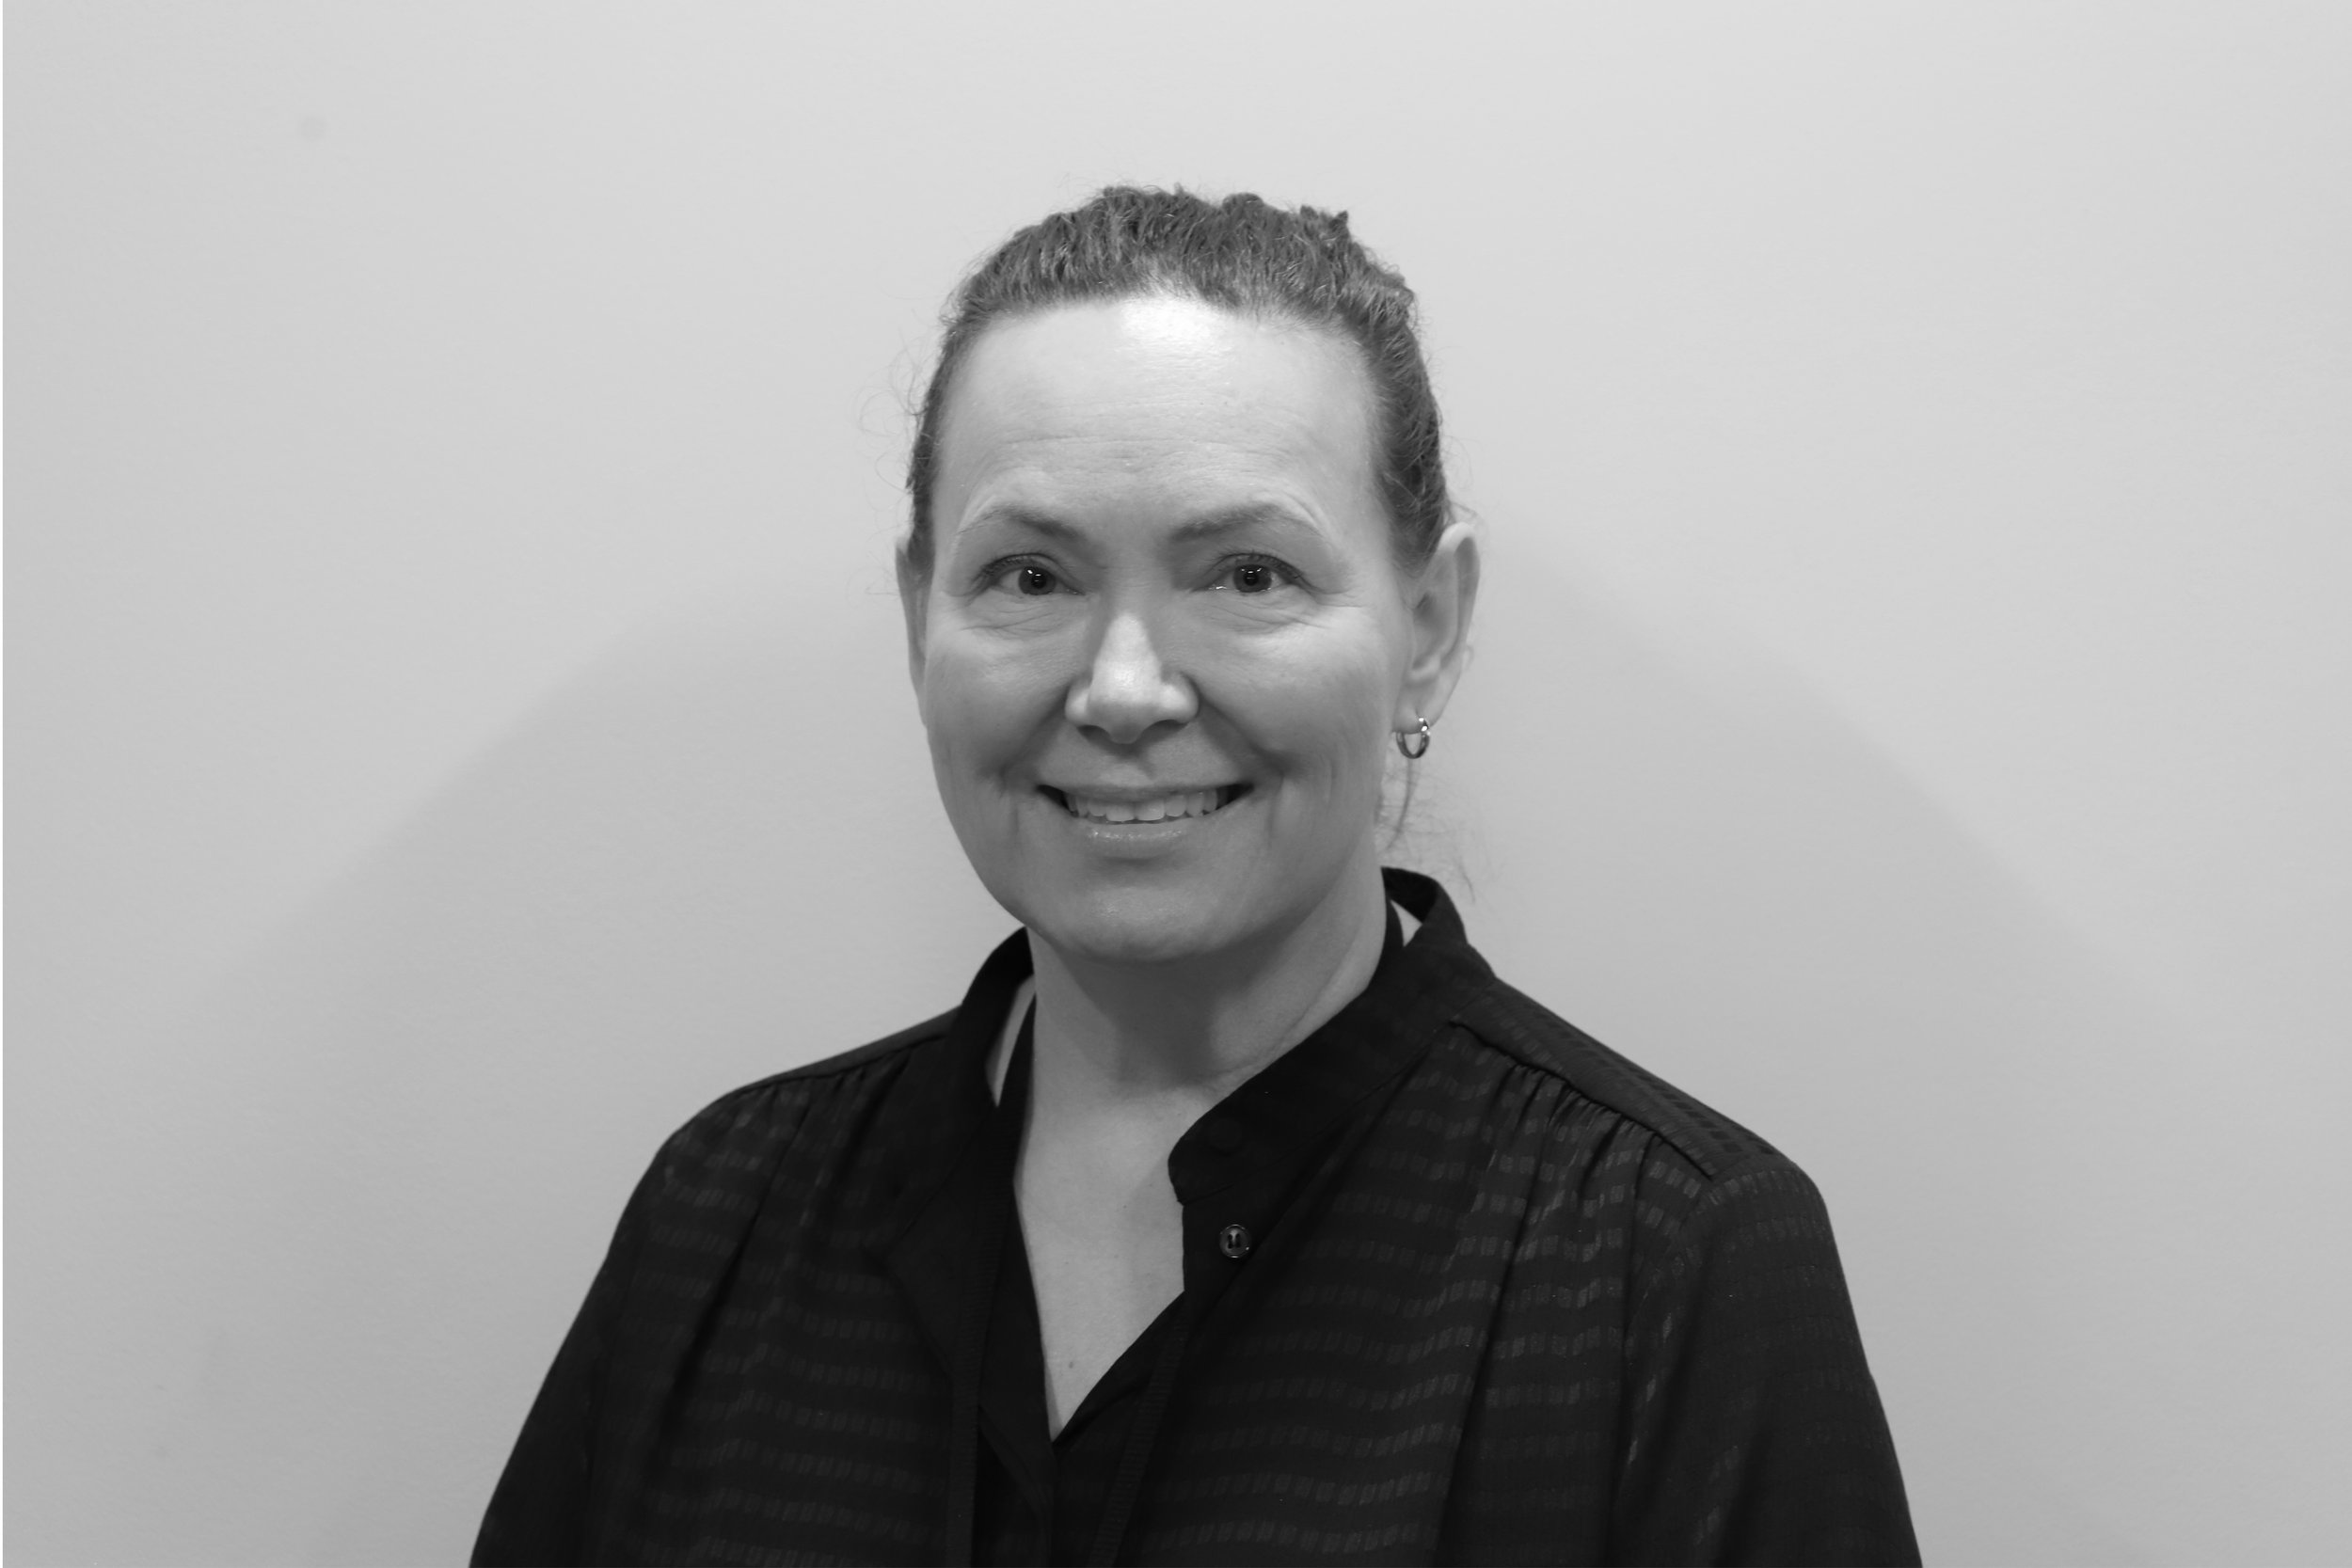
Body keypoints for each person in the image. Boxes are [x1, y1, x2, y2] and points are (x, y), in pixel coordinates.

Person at [473, 187, 1918, 1566]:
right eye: (1030, 577)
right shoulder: (725, 1217)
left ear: (1428, 624)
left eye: (1246, 574)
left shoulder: (1663, 1269)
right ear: (923, 617)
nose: (1122, 691)